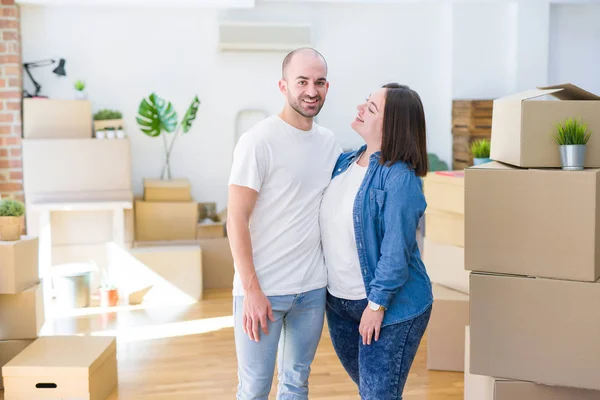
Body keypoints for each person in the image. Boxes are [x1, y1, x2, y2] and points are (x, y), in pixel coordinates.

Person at [226, 47, 341, 400]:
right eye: (302, 81)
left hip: (311, 289)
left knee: (295, 383)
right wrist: (251, 290)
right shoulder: (258, 141)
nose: (311, 91)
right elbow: (235, 218)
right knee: (255, 388)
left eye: (319, 82)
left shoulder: (330, 143)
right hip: (264, 289)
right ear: (283, 85)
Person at [319, 83, 433, 400]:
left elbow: (395, 254)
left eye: (371, 108)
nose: (359, 108)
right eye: (366, 102)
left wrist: (376, 305)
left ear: (392, 125)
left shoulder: (400, 179)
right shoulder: (343, 163)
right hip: (341, 304)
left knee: (378, 396)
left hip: (388, 306)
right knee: (375, 394)